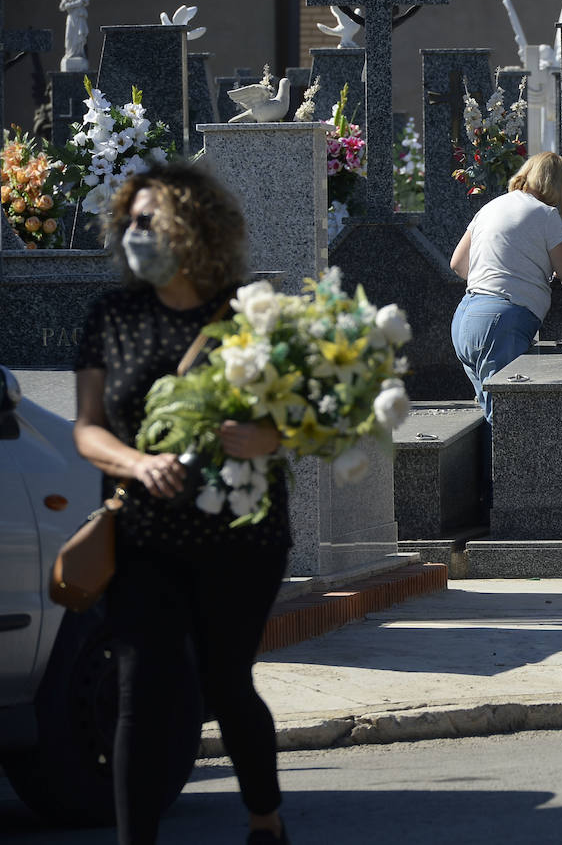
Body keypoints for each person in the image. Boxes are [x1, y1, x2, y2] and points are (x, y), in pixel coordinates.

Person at [73, 162, 291, 845]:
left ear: (194, 229)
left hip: (239, 537)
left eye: (151, 220)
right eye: (129, 222)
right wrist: (137, 463)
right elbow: (86, 428)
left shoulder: (250, 313)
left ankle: (265, 821)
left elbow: (304, 416)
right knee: (141, 687)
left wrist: (264, 437)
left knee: (226, 684)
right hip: (143, 532)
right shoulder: (111, 315)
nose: (135, 233)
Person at [449, 151, 562, 419]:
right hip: (500, 322)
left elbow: (458, 264)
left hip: (465, 318)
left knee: (491, 416)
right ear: (559, 186)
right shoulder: (546, 215)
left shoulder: (490, 207)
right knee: (508, 421)